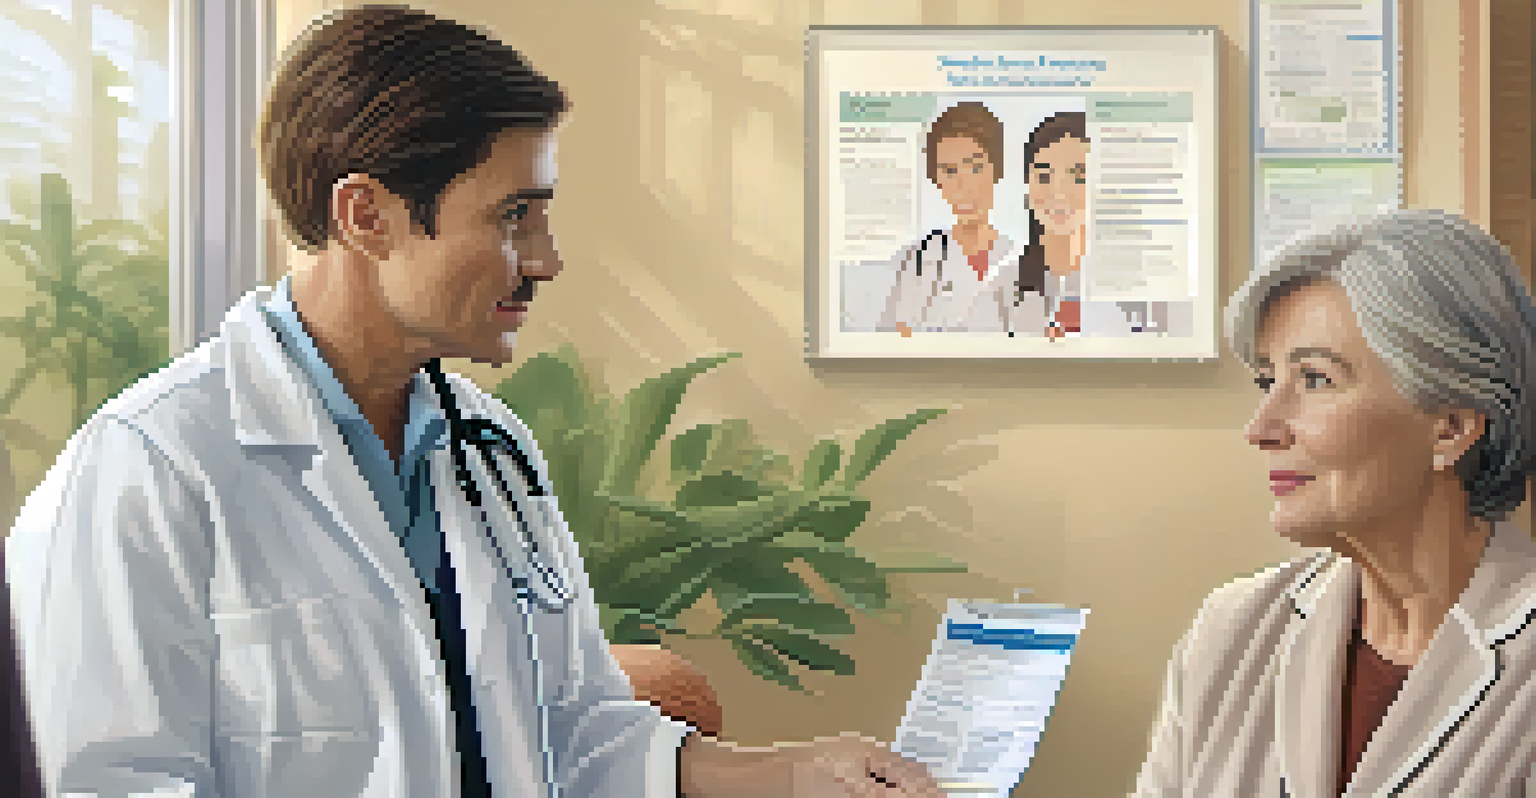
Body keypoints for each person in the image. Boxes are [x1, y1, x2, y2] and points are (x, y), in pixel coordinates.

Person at [2, 6, 941, 797]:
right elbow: (106, 784)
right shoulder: (147, 470)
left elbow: (577, 726)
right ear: (366, 216)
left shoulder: (492, 449)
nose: (547, 259)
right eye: (512, 217)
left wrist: (792, 772)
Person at [1133, 209, 1536, 796]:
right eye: (1267, 382)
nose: (1261, 429)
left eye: (1315, 380)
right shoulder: (1232, 629)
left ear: (1451, 427)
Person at [877, 101, 1019, 335]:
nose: (964, 185)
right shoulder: (917, 261)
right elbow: (890, 344)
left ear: (997, 170)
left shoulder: (1019, 261)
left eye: (975, 168)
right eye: (950, 171)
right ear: (936, 179)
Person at [1008, 112, 1136, 340]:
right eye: (1044, 176)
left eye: (1078, 176)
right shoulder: (1003, 285)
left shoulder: (1133, 284)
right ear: (1027, 186)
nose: (1058, 193)